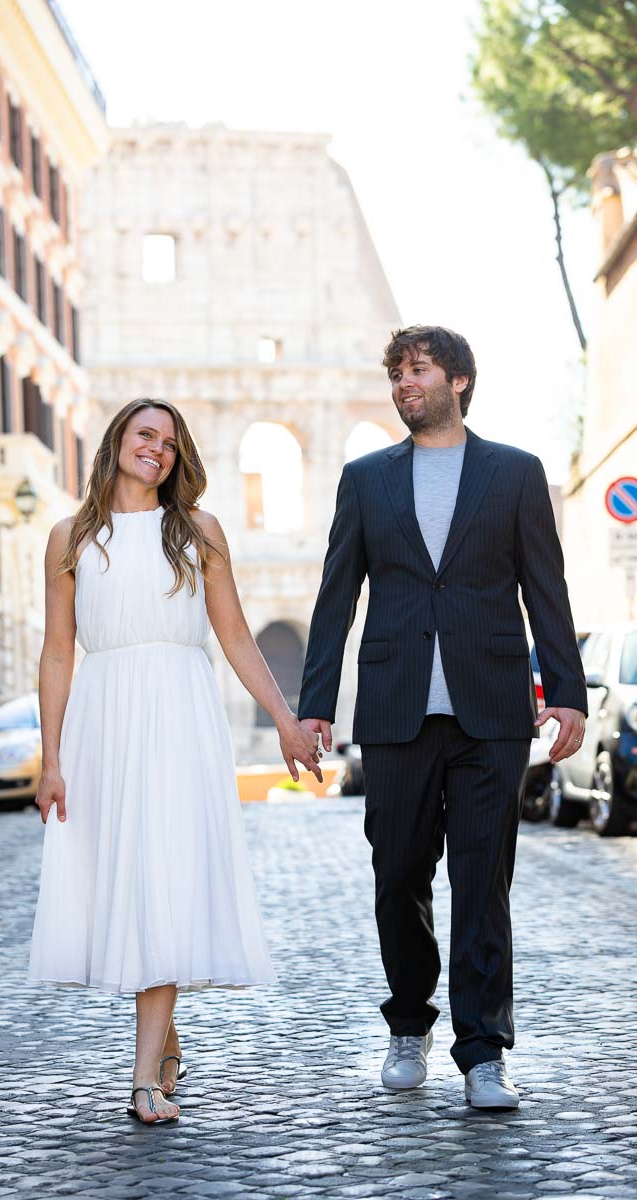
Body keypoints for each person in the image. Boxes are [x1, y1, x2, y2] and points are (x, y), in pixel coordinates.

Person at [297, 326, 587, 1109]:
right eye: (396, 372)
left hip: (490, 711)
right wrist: (315, 707)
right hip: (395, 712)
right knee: (397, 877)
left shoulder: (515, 474)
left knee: (482, 883)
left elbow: (545, 591)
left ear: (459, 380)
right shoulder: (365, 479)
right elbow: (336, 599)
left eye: (417, 370)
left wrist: (565, 690)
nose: (402, 384)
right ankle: (407, 1023)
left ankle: (484, 1050)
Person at [29, 398, 321, 1125]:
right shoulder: (71, 537)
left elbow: (236, 638)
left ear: (179, 456)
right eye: (143, 435)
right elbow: (59, 650)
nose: (155, 449)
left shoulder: (198, 532)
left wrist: (285, 720)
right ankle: (165, 1038)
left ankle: (142, 1078)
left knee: (163, 876)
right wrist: (52, 758)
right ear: (117, 443)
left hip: (183, 718)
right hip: (105, 717)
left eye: (168, 441)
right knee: (125, 881)